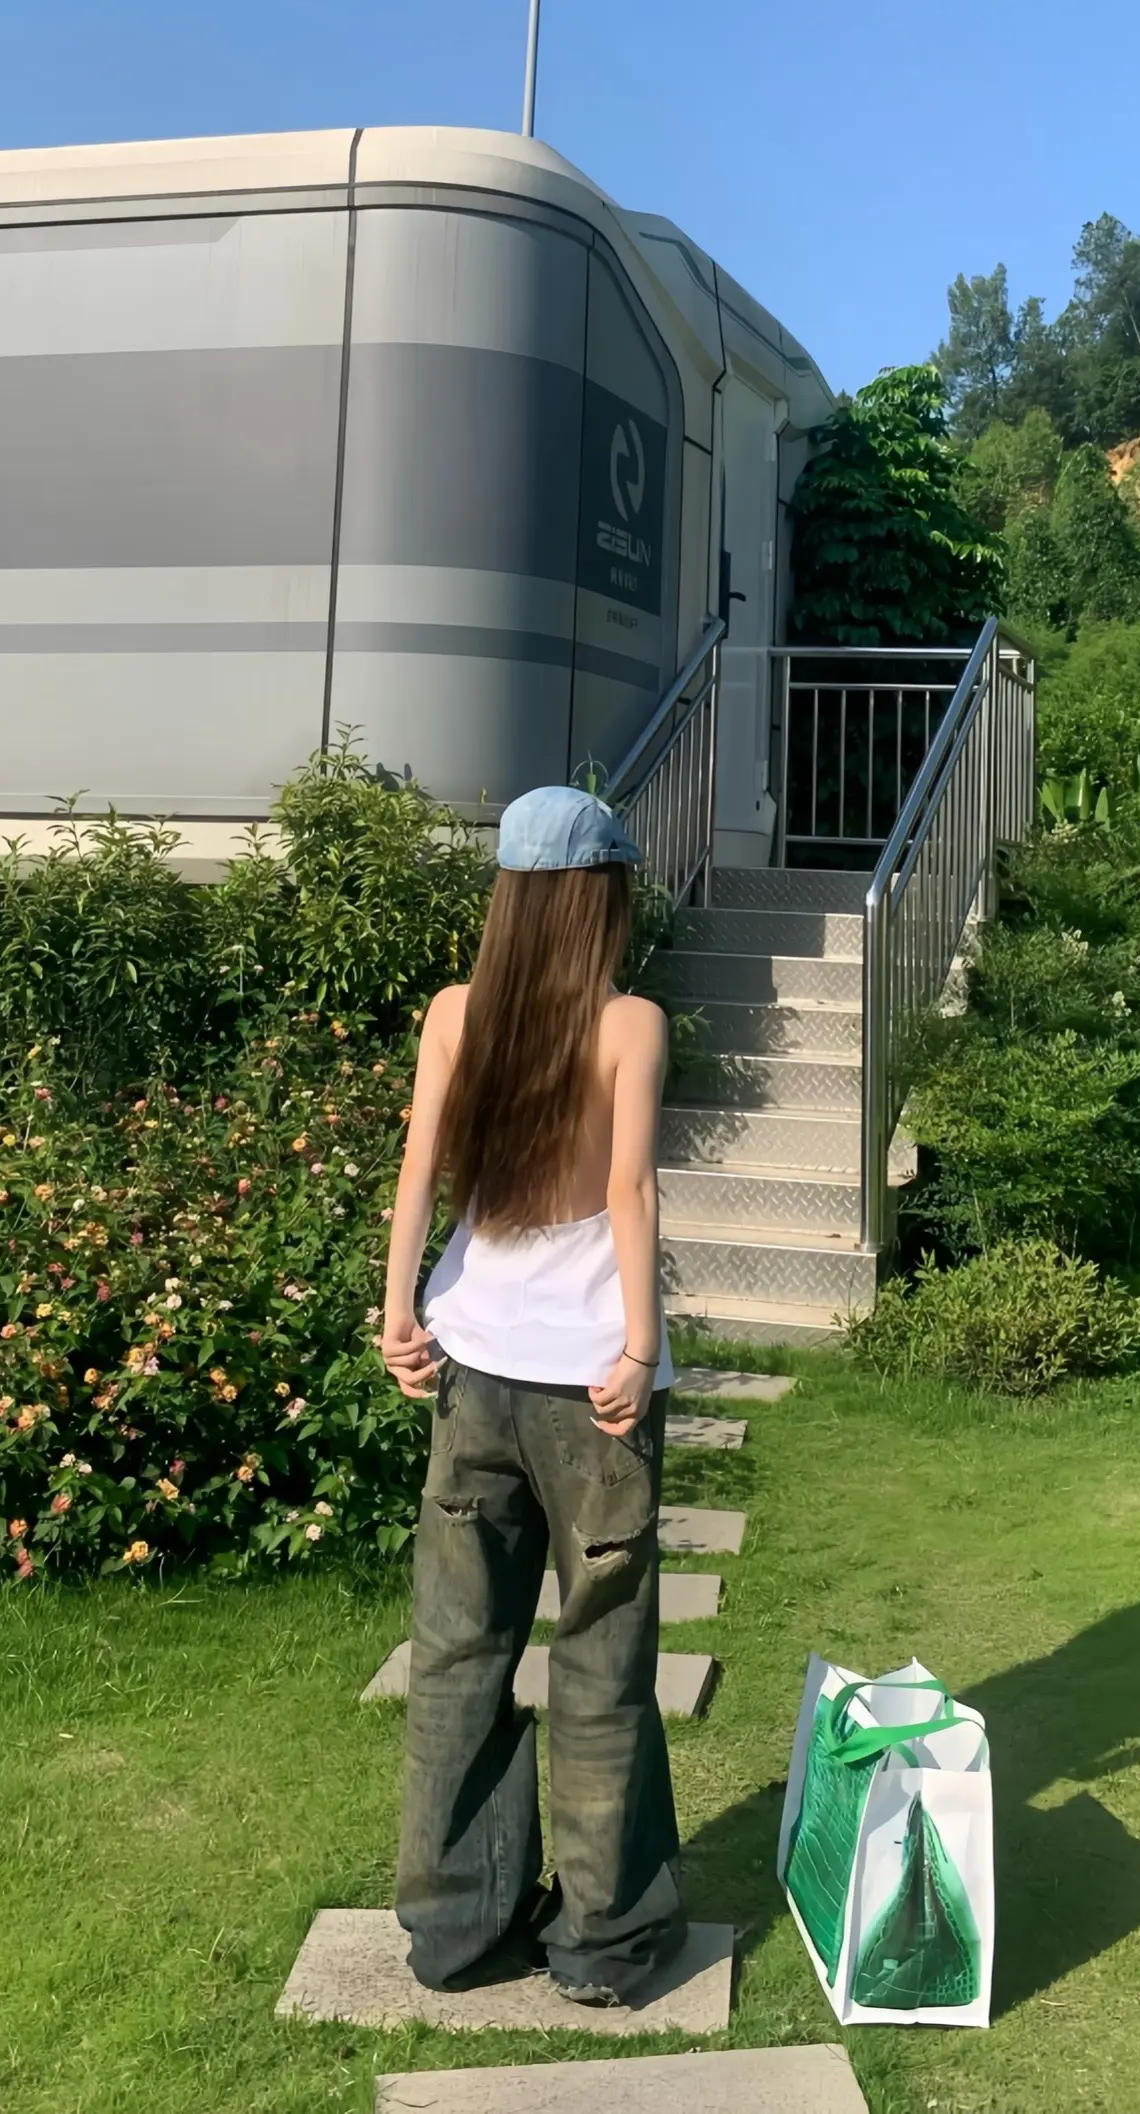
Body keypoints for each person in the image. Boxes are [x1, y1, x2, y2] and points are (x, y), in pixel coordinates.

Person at [379, 784, 685, 2006]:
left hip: (471, 1367)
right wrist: (640, 1346)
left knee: (458, 1649)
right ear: (601, 896)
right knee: (600, 1657)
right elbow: (630, 1192)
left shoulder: (455, 1012)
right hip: (591, 1390)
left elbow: (418, 1164)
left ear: (508, 896)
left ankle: (456, 1930)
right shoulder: (629, 1023)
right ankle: (601, 1944)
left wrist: (398, 1309)